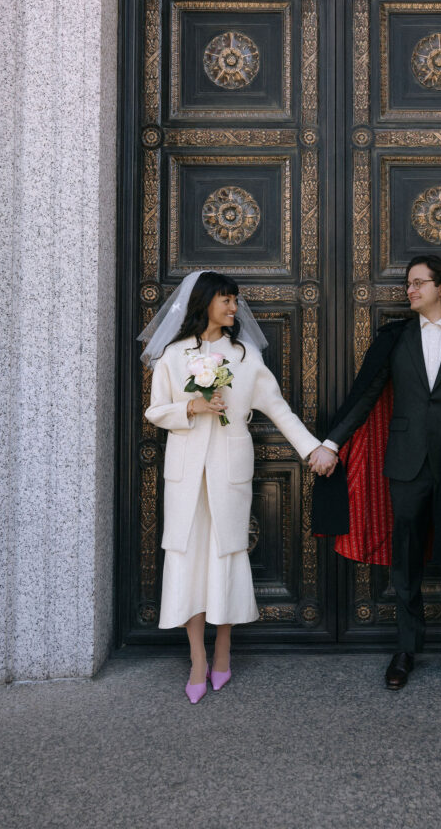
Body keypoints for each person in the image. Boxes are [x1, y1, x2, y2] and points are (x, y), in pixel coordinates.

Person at [311, 255, 441, 692]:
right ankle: (406, 650)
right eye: (408, 283)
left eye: (419, 283)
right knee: (407, 561)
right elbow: (364, 395)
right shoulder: (394, 339)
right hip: (406, 464)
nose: (409, 290)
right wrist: (331, 443)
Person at [140, 271, 328, 703]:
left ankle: (223, 649)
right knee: (187, 557)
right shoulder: (172, 354)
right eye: (226, 299)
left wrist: (312, 449)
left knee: (226, 554)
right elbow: (155, 411)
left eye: (235, 299)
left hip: (230, 468)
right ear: (204, 302)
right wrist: (193, 405)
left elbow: (278, 409)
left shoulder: (244, 357)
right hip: (186, 469)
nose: (234, 307)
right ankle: (197, 659)